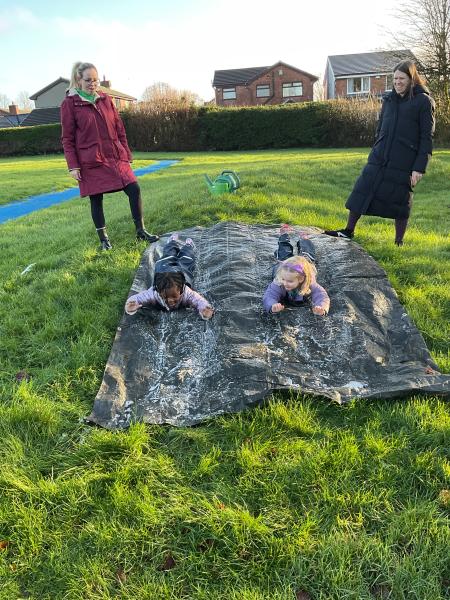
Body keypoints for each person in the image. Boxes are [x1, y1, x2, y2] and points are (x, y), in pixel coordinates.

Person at [323, 60, 435, 246]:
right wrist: (377, 145)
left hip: (404, 161)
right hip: (379, 157)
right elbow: (380, 126)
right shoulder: (389, 100)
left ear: (412, 79)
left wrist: (419, 168)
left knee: (400, 200)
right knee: (362, 190)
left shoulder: (423, 101)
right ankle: (348, 231)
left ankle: (398, 242)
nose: (397, 82)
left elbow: (426, 137)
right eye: (395, 78)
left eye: (402, 78)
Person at [61, 61, 159, 251]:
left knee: (134, 189)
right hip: (91, 160)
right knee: (96, 199)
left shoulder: (105, 99)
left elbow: (119, 128)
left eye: (95, 80)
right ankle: (104, 241)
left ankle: (141, 231)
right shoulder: (70, 104)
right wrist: (73, 166)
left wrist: (125, 152)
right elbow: (67, 138)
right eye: (88, 80)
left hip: (115, 156)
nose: (93, 84)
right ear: (78, 80)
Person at [125, 234, 214, 320]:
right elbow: (139, 297)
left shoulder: (187, 293)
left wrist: (204, 309)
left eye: (174, 296)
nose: (170, 300)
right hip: (164, 266)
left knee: (187, 259)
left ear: (181, 289)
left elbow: (198, 300)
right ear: (158, 291)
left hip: (182, 271)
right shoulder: (154, 293)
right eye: (164, 297)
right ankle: (172, 242)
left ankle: (188, 246)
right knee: (169, 254)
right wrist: (131, 305)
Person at [263, 225, 330, 315]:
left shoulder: (310, 283)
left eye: (290, 281)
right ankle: (284, 234)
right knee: (284, 252)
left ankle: (304, 239)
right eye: (284, 279)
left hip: (306, 264)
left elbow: (321, 295)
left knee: (307, 254)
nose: (285, 283)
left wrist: (321, 308)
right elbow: (270, 295)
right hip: (285, 263)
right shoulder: (279, 281)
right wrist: (272, 306)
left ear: (301, 279)